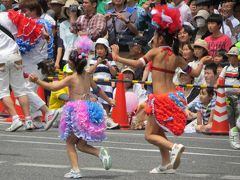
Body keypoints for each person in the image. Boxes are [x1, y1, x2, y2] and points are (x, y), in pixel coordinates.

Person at [111, 4, 212, 173]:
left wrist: (117, 57)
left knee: (149, 135)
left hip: (160, 99)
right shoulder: (177, 57)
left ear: (160, 39)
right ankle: (166, 164)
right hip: (174, 97)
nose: (153, 39)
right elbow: (194, 73)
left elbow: (137, 63)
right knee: (157, 131)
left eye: (155, 35)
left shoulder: (155, 52)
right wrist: (202, 62)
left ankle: (174, 147)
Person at [29, 42, 115, 178]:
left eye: (69, 60)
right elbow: (97, 90)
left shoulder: (71, 78)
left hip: (78, 111)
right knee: (80, 144)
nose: (67, 62)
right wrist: (109, 100)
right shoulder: (87, 75)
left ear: (73, 63)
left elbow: (53, 88)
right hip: (90, 109)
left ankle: (76, 170)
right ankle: (100, 152)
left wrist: (37, 81)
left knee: (70, 143)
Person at [0, 9, 48, 131]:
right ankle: (28, 120)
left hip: (1, 58)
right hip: (15, 55)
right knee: (21, 89)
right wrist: (43, 32)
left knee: (3, 91)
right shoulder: (9, 15)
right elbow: (32, 25)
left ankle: (15, 119)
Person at [218, 46, 240, 150]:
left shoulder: (239, 69)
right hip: (228, 96)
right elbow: (220, 79)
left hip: (238, 96)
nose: (230, 58)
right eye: (229, 56)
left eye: (232, 56)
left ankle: (236, 136)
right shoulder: (226, 68)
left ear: (236, 57)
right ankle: (233, 140)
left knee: (239, 118)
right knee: (231, 118)